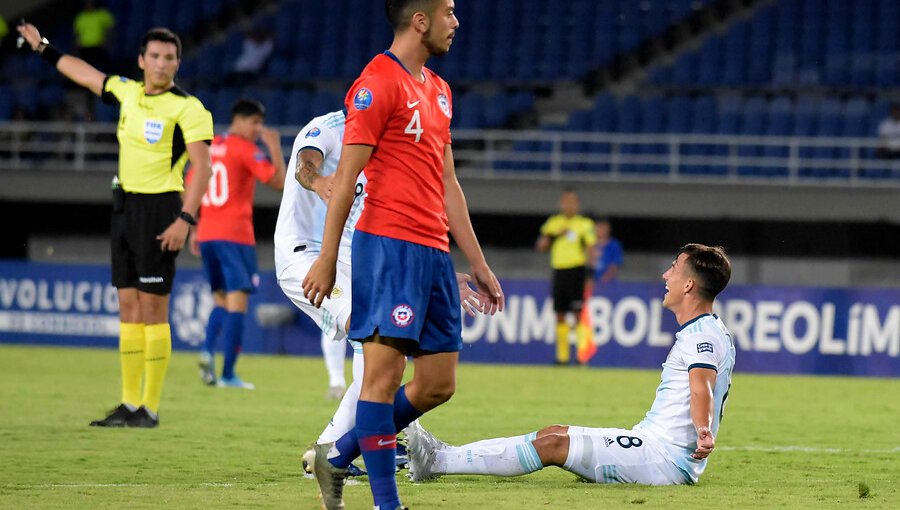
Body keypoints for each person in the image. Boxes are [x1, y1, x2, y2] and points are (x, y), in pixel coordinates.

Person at [301, 1, 505, 508]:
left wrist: (477, 262)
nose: (456, 23)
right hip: (388, 247)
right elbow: (345, 178)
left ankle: (338, 454)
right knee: (382, 377)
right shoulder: (376, 82)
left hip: (434, 252)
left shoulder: (439, 90)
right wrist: (327, 258)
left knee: (438, 383)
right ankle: (387, 505)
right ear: (421, 20)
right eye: (449, 12)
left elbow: (448, 182)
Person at [17, 22, 213, 428]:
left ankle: (150, 408)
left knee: (153, 308)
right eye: (154, 56)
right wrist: (44, 48)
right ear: (141, 61)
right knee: (128, 306)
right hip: (123, 207)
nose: (161, 64)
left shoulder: (188, 108)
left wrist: (185, 220)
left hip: (161, 210)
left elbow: (204, 168)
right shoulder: (127, 91)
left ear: (178, 63)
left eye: (169, 57)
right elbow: (84, 72)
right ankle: (128, 404)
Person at [408, 244, 734, 487]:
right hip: (651, 446)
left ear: (689, 284)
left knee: (553, 445)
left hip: (663, 460)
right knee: (554, 433)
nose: (666, 275)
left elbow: (700, 385)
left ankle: (438, 461)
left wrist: (703, 430)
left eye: (674, 268)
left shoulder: (701, 335)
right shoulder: (707, 330)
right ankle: (443, 454)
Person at [275, 110, 488, 480]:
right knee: (371, 337)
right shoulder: (328, 129)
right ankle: (345, 448)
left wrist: (435, 269)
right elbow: (303, 165)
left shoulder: (383, 147)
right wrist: (321, 181)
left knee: (387, 347)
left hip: (347, 259)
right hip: (303, 256)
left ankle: (330, 452)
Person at [192, 98, 285, 390]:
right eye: (255, 123)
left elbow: (192, 183)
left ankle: (207, 350)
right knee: (238, 303)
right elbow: (278, 181)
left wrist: (194, 226)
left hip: (207, 233)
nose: (258, 129)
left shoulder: (210, 147)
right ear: (240, 120)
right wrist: (274, 147)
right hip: (235, 235)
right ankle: (229, 374)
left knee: (221, 299)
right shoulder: (245, 148)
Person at [536, 188, 596, 365]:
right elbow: (541, 246)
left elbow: (591, 250)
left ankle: (581, 356)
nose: (569, 205)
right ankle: (562, 358)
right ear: (561, 203)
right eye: (566, 201)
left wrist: (590, 276)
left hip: (577, 271)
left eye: (572, 201)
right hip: (559, 271)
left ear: (577, 204)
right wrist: (554, 235)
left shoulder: (584, 224)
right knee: (560, 314)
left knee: (577, 313)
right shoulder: (554, 223)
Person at [73, 1, 115, 69]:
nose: (89, 4)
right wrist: (76, 49)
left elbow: (111, 29)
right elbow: (77, 34)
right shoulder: (81, 17)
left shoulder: (102, 14)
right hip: (85, 48)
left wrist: (108, 41)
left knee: (102, 68)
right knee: (87, 68)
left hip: (99, 46)